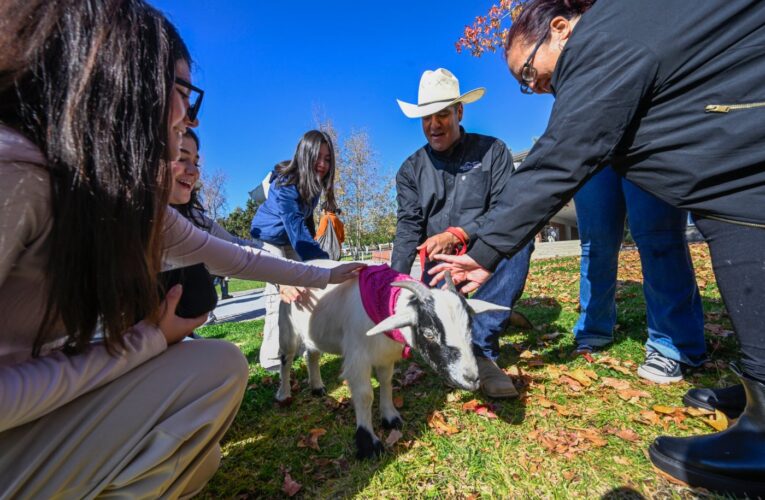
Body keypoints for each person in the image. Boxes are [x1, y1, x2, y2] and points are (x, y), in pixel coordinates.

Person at [0, 2, 362, 497]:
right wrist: (146, 342)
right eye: (180, 92)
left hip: (35, 420)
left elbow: (236, 255)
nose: (186, 121)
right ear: (118, 75)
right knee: (205, 387)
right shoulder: (15, 171)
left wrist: (333, 273)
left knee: (199, 457)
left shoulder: (116, 199)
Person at [429, 0, 765, 494]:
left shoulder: (605, 37)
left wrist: (484, 249)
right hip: (738, 142)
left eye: (529, 72)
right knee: (742, 217)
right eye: (525, 83)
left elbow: (560, 155)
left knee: (740, 218)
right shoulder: (630, 29)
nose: (532, 87)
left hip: (744, 137)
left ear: (561, 29)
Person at [392, 68, 533, 399]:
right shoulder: (410, 170)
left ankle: (482, 352)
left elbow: (506, 210)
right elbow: (409, 226)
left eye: (442, 114)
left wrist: (458, 233)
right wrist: (391, 286)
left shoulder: (493, 152)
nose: (434, 125)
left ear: (459, 111)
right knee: (433, 326)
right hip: (439, 265)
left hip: (487, 253)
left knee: (520, 240)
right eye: (426, 117)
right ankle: (488, 315)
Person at [572, 166, 706, 384]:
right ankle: (593, 328)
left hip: (649, 139)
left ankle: (672, 342)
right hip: (594, 149)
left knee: (659, 236)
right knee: (595, 244)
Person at [250, 130, 337, 371]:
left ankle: (295, 349)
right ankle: (271, 360)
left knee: (305, 289)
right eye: (317, 157)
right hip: (267, 239)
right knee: (281, 294)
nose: (322, 164)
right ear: (304, 155)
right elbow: (295, 226)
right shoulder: (285, 184)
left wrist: (316, 261)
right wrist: (326, 266)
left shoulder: (315, 185)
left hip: (291, 238)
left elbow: (305, 223)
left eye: (327, 159)